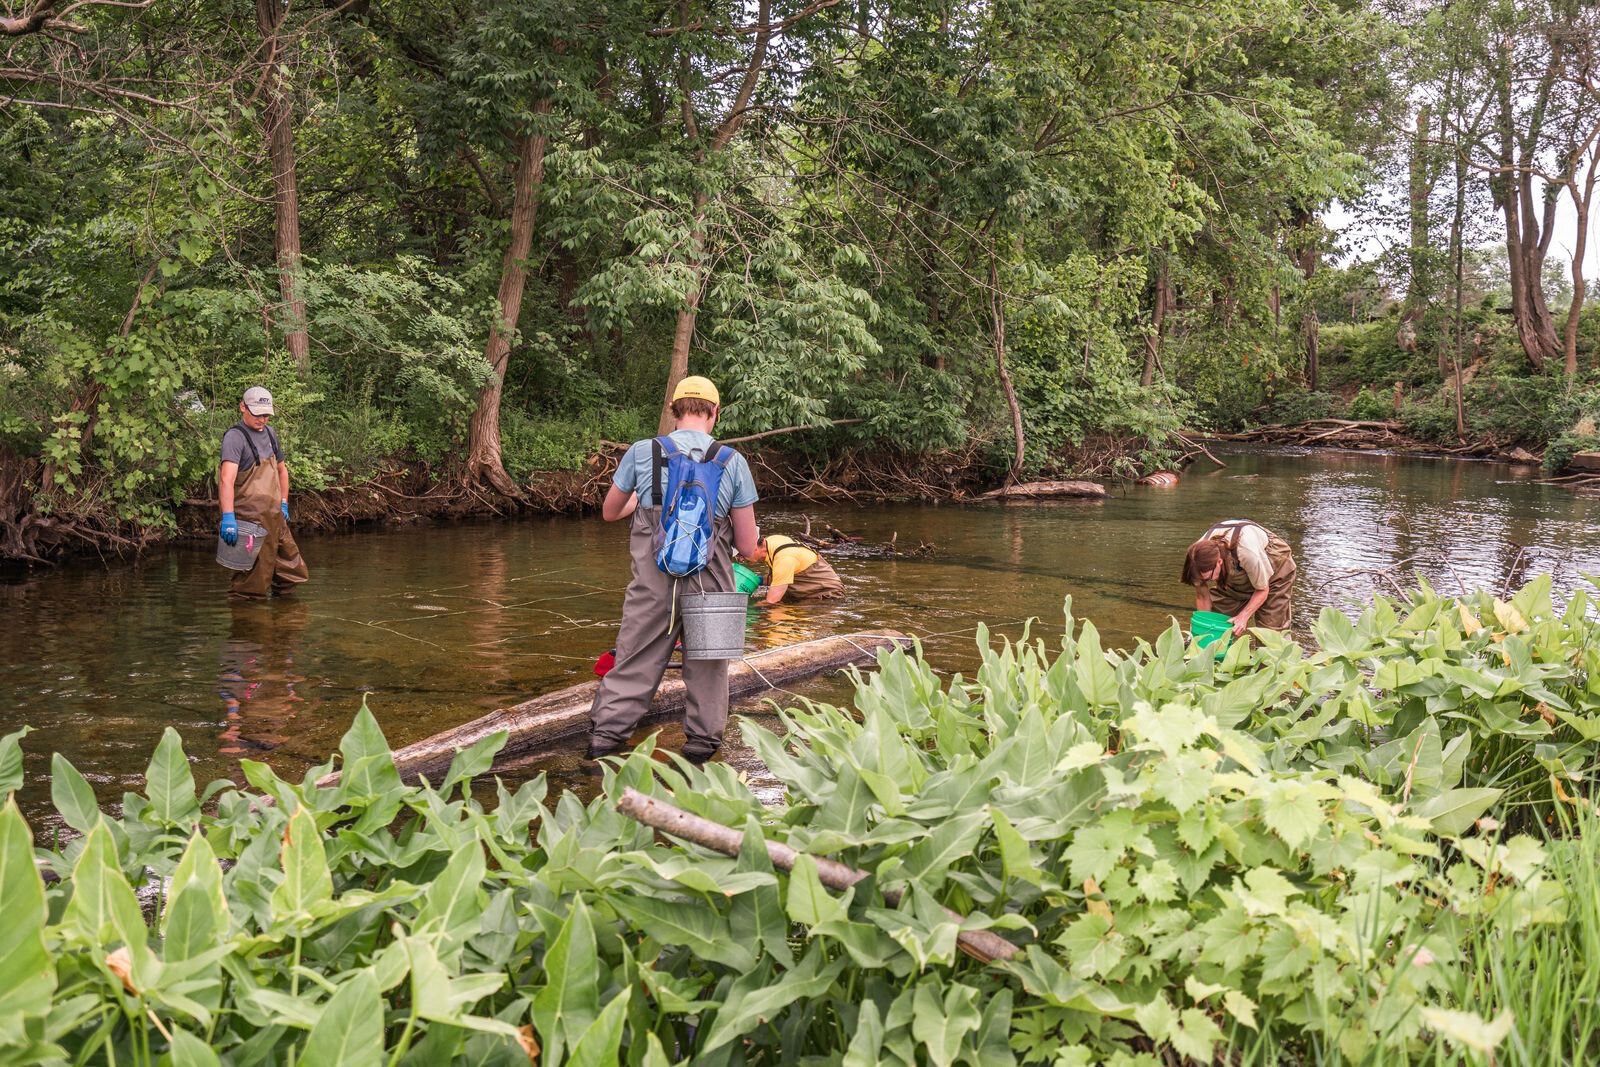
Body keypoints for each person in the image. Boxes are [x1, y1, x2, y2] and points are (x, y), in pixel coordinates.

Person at [585, 375, 759, 765]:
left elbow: (610, 512)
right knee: (710, 673)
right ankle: (698, 758)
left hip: (652, 586)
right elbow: (747, 547)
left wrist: (643, 504)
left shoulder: (641, 452)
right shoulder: (733, 461)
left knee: (633, 664)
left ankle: (601, 755)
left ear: (673, 412)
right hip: (711, 585)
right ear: (714, 413)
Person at [218, 387, 309, 598]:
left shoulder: (270, 433)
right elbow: (226, 479)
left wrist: (284, 502)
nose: (262, 419)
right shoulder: (234, 437)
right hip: (249, 521)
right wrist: (228, 518)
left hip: (275, 516)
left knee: (290, 571)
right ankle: (249, 624)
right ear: (243, 407)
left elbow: (281, 470)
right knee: (250, 584)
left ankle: (286, 621)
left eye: (266, 414)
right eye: (257, 414)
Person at [1181, 519, 1296, 635]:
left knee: (1270, 631)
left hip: (1276, 568)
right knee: (1216, 620)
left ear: (1219, 562)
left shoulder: (1247, 552)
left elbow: (1262, 590)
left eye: (1209, 578)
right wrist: (1204, 627)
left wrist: (1243, 617)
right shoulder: (1196, 558)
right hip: (1240, 568)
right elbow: (1202, 596)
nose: (1211, 581)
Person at [742, 531, 844, 605]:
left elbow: (771, 601)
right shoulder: (772, 541)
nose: (741, 559)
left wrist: (751, 609)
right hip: (808, 590)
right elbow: (782, 576)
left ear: (755, 548)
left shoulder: (784, 558)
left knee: (777, 612)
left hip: (825, 596)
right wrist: (757, 580)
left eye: (742, 554)